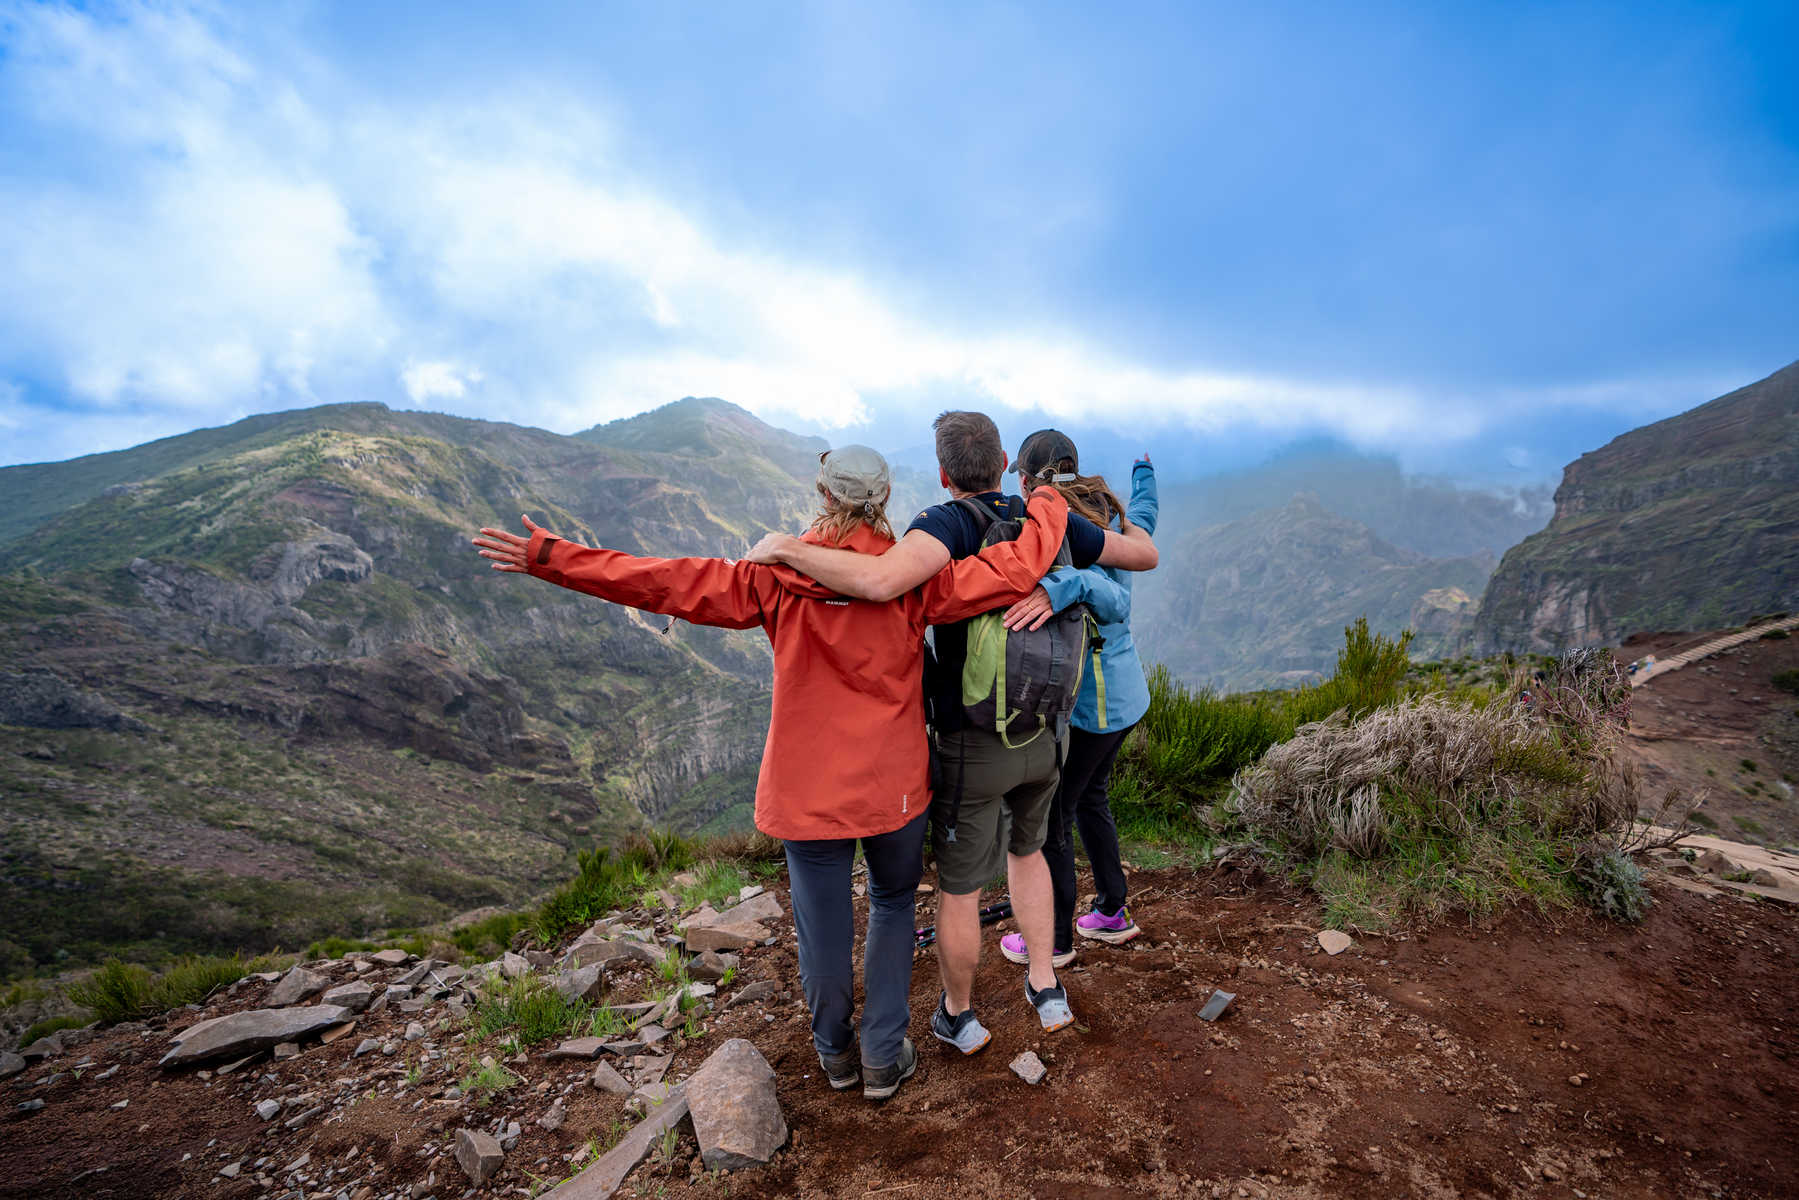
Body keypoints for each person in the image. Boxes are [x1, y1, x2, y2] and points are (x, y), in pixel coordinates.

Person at [471, 446, 1069, 1103]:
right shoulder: (912, 581)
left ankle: (834, 1055)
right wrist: (1046, 504)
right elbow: (1010, 567)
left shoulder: (772, 578)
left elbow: (661, 579)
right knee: (894, 907)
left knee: (822, 923)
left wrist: (550, 557)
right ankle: (880, 1055)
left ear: (823, 494)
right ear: (884, 496)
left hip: (805, 789)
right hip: (892, 787)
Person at [746, 412, 1157, 1055]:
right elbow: (1143, 556)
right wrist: (1066, 580)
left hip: (976, 739)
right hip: (1047, 732)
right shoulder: (1047, 520)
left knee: (961, 887)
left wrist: (788, 550)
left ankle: (958, 1014)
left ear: (942, 475)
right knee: (1031, 852)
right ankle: (1046, 985)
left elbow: (880, 583)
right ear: (1001, 466)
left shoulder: (942, 526)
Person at [995, 433, 1158, 970]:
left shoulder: (1066, 526)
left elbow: (1114, 603)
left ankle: (1056, 940)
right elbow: (1146, 520)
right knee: (1092, 798)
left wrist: (1062, 585)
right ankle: (1112, 910)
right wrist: (1143, 474)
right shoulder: (1101, 506)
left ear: (1025, 479)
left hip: (1099, 705)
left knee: (1055, 817)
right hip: (1125, 696)